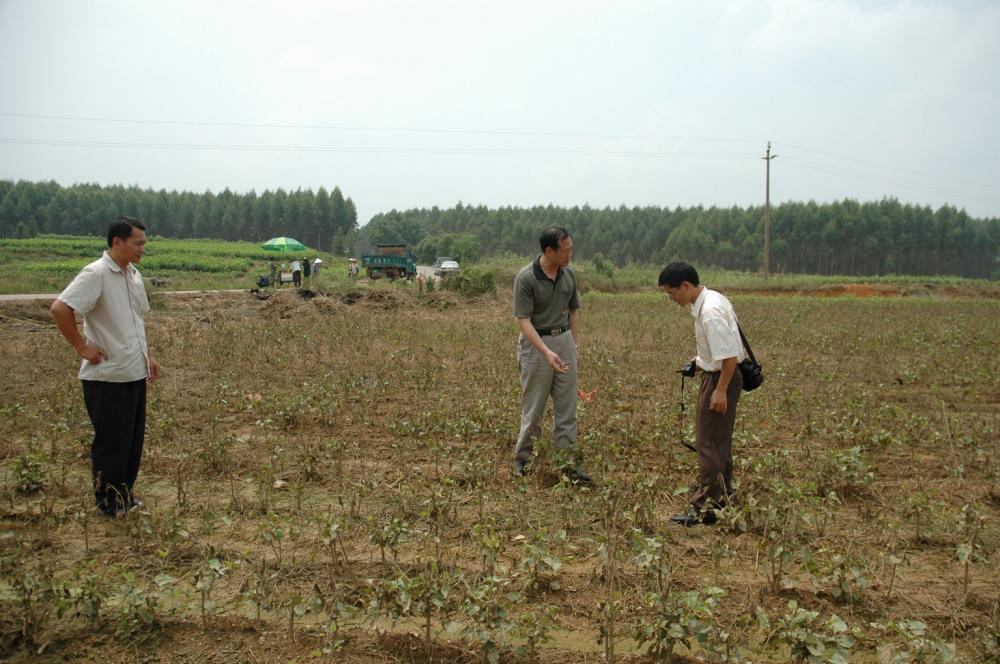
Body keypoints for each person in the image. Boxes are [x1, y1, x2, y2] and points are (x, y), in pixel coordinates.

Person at [50, 217, 161, 516]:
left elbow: (138, 320)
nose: (142, 249)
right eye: (138, 243)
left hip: (134, 371)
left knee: (131, 442)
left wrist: (148, 356)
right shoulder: (96, 274)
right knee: (112, 443)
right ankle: (109, 502)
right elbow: (60, 308)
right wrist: (82, 347)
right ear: (117, 242)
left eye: (144, 244)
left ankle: (125, 495)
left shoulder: (133, 275)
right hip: (108, 377)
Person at [659, 262, 744, 526]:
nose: (671, 299)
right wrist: (698, 361)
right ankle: (722, 500)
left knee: (708, 444)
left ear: (685, 286)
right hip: (718, 375)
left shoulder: (710, 312)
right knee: (719, 443)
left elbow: (729, 356)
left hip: (722, 379)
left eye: (672, 293)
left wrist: (720, 390)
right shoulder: (712, 301)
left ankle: (704, 506)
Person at [512, 227, 590, 484]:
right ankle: (524, 461)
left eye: (571, 248)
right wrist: (545, 351)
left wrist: (573, 347)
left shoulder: (568, 275)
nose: (570, 254)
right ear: (549, 251)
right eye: (566, 250)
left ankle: (568, 465)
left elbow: (574, 311)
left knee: (567, 409)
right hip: (536, 344)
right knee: (534, 408)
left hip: (564, 339)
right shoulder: (526, 278)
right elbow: (523, 320)